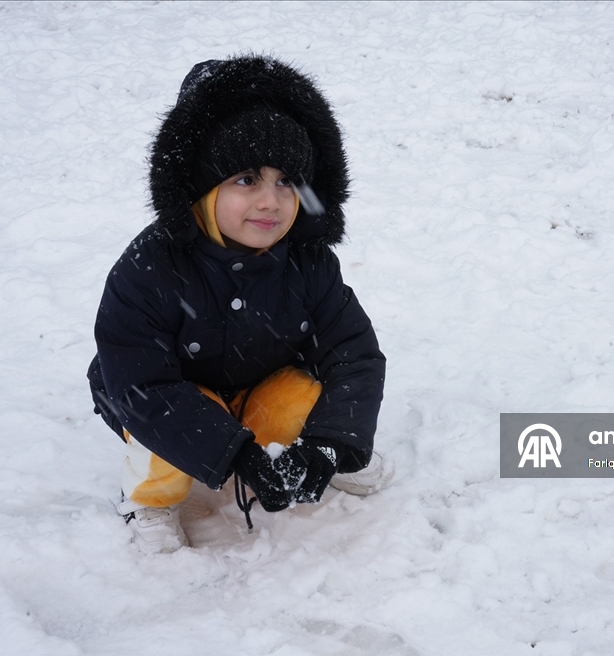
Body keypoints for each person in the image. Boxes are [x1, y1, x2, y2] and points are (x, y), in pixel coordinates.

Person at [86, 54, 390, 553]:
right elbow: (143, 384)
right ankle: (149, 498)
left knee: (311, 401)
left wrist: (332, 443)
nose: (271, 200)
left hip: (256, 382)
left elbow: (352, 352)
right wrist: (235, 457)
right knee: (162, 431)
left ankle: (330, 455)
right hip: (169, 394)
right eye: (246, 180)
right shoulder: (150, 268)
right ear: (201, 190)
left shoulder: (307, 262)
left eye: (286, 181)